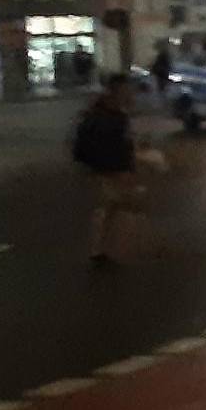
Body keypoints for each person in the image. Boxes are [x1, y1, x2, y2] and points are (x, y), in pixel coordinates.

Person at [76, 74, 141, 267]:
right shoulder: (108, 114)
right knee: (112, 204)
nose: (129, 93)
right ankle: (99, 249)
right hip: (108, 166)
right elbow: (113, 143)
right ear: (117, 90)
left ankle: (100, 248)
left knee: (111, 205)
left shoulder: (112, 111)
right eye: (126, 89)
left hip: (111, 166)